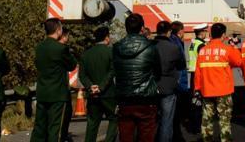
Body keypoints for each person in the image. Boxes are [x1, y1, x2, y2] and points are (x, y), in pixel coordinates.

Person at [113, 13, 161, 142]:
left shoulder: (116, 48)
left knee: (126, 136)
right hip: (146, 99)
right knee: (146, 136)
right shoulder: (151, 47)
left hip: (124, 99)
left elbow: (115, 70)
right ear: (142, 28)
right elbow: (158, 72)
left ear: (126, 28)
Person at [30, 18, 78, 142]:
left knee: (39, 128)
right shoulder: (60, 48)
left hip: (42, 93)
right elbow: (72, 65)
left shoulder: (39, 47)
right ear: (58, 30)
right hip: (58, 95)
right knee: (55, 129)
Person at [193, 22, 241, 142]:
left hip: (207, 91)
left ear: (210, 34)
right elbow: (239, 62)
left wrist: (197, 89)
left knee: (207, 120)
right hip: (224, 92)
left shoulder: (203, 51)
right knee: (224, 120)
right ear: (223, 35)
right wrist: (234, 47)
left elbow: (198, 73)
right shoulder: (227, 49)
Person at [79, 26, 117, 142]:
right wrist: (101, 87)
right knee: (114, 118)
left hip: (92, 95)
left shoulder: (86, 54)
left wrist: (91, 86)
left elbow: (82, 75)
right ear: (107, 38)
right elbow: (112, 71)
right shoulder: (111, 52)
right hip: (108, 94)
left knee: (92, 123)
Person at [154, 21, 186, 142]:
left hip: (152, 88)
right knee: (167, 121)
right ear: (169, 32)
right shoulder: (174, 48)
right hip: (169, 88)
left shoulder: (150, 46)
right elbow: (181, 66)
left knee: (154, 121)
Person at [168, 22, 189, 142]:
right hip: (178, 81)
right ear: (180, 31)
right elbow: (181, 63)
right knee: (175, 112)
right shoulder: (176, 42)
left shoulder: (170, 40)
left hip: (171, 80)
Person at [57, 28, 73, 141]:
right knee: (64, 117)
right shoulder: (63, 50)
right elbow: (72, 64)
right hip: (61, 92)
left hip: (46, 91)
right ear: (63, 36)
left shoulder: (43, 48)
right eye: (67, 36)